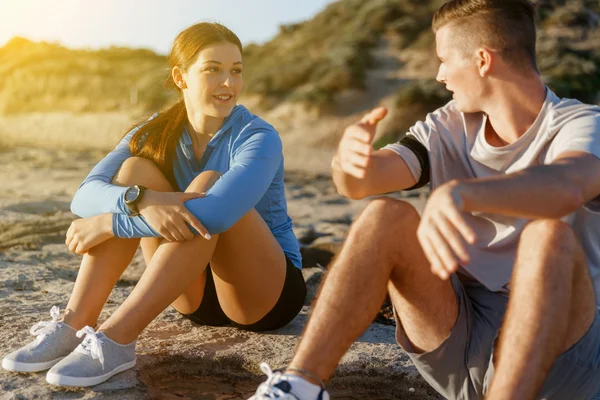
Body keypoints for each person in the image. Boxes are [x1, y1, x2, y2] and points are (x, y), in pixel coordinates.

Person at [249, 0, 600, 399]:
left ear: (483, 60)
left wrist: (463, 193)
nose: (439, 74)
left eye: (444, 59)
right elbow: (365, 183)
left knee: (547, 237)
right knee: (386, 214)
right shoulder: (448, 124)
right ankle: (299, 387)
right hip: (459, 339)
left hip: (563, 356)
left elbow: (567, 186)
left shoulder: (582, 124)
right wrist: (349, 164)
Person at [1, 22, 306, 388]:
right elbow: (84, 195)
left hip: (262, 295)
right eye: (213, 69)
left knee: (207, 184)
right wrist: (141, 199)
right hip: (186, 288)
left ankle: (117, 339)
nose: (229, 83)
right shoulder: (153, 131)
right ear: (181, 76)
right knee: (134, 172)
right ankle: (73, 324)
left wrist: (109, 223)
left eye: (236, 71)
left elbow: (216, 214)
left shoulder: (258, 136)